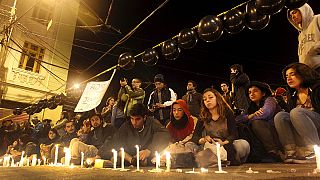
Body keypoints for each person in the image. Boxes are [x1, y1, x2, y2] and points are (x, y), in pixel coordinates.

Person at [274, 62, 320, 164]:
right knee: (280, 116)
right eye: (286, 76)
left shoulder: (317, 88)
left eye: (292, 74)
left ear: (303, 74)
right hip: (303, 127)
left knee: (296, 112)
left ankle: (314, 151)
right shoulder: (293, 94)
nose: (289, 78)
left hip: (317, 124)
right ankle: (291, 152)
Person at [191, 88, 250, 167]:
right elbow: (195, 136)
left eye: (210, 97)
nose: (207, 100)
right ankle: (219, 159)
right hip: (211, 146)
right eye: (205, 99)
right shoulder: (203, 116)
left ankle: (227, 158)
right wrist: (203, 139)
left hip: (227, 144)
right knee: (190, 145)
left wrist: (223, 142)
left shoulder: (227, 113)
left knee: (243, 144)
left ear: (217, 98)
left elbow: (234, 134)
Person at [236, 81, 283, 162]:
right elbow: (237, 119)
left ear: (263, 93)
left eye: (255, 91)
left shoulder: (270, 100)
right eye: (249, 92)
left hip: (276, 134)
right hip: (262, 138)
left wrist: (250, 118)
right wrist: (250, 116)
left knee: (256, 123)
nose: (252, 94)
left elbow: (265, 113)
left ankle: (274, 152)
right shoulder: (251, 107)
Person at [288, 3, 320, 73]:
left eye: (294, 12)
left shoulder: (317, 18)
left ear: (304, 10)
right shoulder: (300, 34)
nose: (293, 16)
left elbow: (312, 50)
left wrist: (315, 49)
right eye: (291, 15)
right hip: (308, 72)